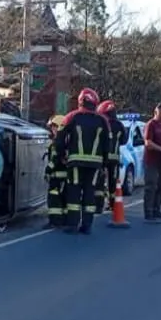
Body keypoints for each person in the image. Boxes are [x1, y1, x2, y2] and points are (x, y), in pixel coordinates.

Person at [55, 88, 110, 235]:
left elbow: (59, 139)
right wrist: (104, 164)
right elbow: (107, 145)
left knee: (74, 192)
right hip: (95, 165)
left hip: (75, 163)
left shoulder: (71, 117)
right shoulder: (103, 121)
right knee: (89, 193)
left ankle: (72, 225)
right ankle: (87, 225)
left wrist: (61, 156)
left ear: (80, 101)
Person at [143, 102, 161, 223]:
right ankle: (148, 212)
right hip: (151, 161)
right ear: (155, 112)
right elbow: (148, 143)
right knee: (151, 186)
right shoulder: (151, 125)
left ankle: (157, 209)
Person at [96, 100, 128, 211]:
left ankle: (98, 205)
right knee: (112, 183)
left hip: (102, 158)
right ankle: (113, 204)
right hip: (114, 159)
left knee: (99, 182)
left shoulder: (102, 123)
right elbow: (124, 140)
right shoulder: (120, 125)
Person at [44, 115, 68, 229]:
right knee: (63, 199)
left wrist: (47, 170)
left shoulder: (57, 143)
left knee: (53, 199)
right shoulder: (67, 142)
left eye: (53, 127)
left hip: (56, 177)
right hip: (65, 177)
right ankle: (63, 220)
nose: (51, 130)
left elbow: (55, 159)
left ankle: (54, 221)